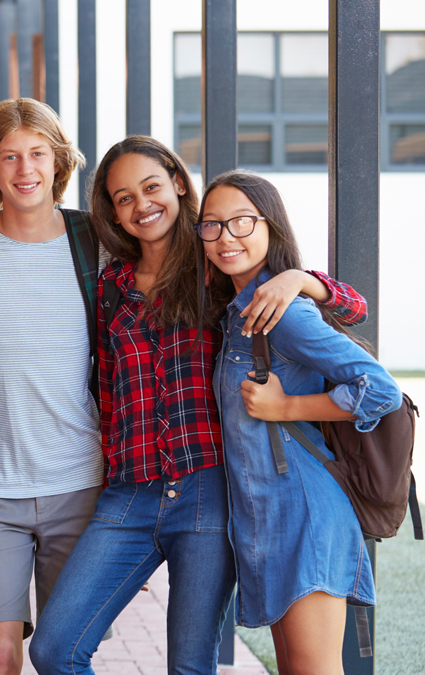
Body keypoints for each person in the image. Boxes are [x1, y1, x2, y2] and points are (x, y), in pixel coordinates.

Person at [28, 136, 369, 674]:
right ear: (112, 213)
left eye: (151, 187)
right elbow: (108, 397)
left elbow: (353, 308)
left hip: (207, 492)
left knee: (191, 666)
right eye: (123, 198)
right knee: (54, 649)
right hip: (128, 495)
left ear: (177, 184)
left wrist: (302, 279)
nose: (141, 205)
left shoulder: (217, 265)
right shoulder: (110, 286)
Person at [198, 170, 399, 675]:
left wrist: (289, 408)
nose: (227, 237)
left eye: (242, 222)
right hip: (267, 517)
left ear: (271, 227)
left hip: (307, 515)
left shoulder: (283, 312)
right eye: (213, 225)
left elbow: (380, 389)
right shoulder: (238, 310)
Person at [0, 98, 106, 675]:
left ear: (58, 160)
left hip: (79, 482)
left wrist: (298, 281)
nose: (24, 170)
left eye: (37, 154)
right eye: (9, 157)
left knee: (62, 653)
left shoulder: (96, 241)